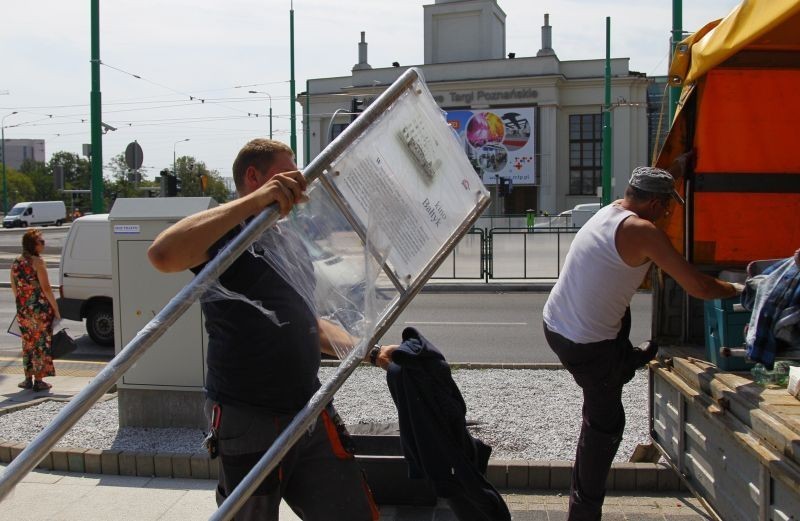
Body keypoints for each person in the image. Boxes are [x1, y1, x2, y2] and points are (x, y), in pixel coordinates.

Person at [148, 138, 396, 520]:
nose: (300, 186)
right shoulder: (228, 235)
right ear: (254, 177)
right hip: (248, 416)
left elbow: (309, 322)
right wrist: (255, 203)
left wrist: (372, 350)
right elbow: (162, 254)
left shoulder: (288, 242)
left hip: (308, 408)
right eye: (288, 176)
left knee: (354, 511)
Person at [542, 166, 743, 521]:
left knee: (622, 316)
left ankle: (624, 360)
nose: (668, 215)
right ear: (653, 203)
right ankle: (582, 514)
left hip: (556, 323)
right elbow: (698, 287)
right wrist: (741, 291)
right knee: (605, 423)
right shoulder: (642, 231)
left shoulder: (610, 211)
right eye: (667, 207)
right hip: (585, 345)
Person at [10, 229, 61, 392]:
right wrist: (56, 309)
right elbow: (46, 288)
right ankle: (39, 380)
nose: (44, 244)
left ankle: (28, 378)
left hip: (24, 310)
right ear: (34, 245)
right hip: (39, 310)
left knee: (27, 343)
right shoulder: (38, 262)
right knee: (40, 344)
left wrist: (23, 303)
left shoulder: (16, 262)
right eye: (42, 242)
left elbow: (14, 287)